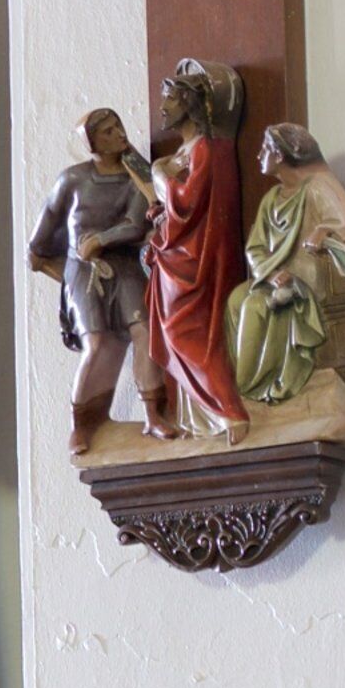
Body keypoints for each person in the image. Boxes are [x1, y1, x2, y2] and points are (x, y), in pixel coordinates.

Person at [28, 107, 171, 455]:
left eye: (118, 127)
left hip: (124, 266)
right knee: (97, 346)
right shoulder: (72, 180)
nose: (118, 135)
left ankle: (154, 414)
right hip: (83, 273)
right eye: (107, 132)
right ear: (92, 143)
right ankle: (81, 424)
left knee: (145, 333)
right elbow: (38, 250)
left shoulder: (136, 177)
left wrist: (101, 240)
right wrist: (68, 281)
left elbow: (136, 224)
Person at [223, 123, 345, 412]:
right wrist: (270, 274)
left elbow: (341, 223)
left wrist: (322, 231)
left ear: (280, 155)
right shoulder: (270, 200)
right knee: (235, 301)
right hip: (274, 277)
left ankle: (253, 387)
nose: (258, 156)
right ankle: (259, 386)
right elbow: (255, 248)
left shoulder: (317, 188)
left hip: (306, 283)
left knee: (256, 307)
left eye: (264, 150)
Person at [140, 61, 249, 440]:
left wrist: (159, 176)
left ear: (189, 103)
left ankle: (229, 413)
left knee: (186, 332)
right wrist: (159, 212)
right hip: (178, 255)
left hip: (196, 260)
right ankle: (196, 419)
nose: (163, 108)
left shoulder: (207, 148)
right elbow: (178, 209)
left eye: (170, 98)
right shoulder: (190, 148)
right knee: (177, 334)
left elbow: (189, 203)